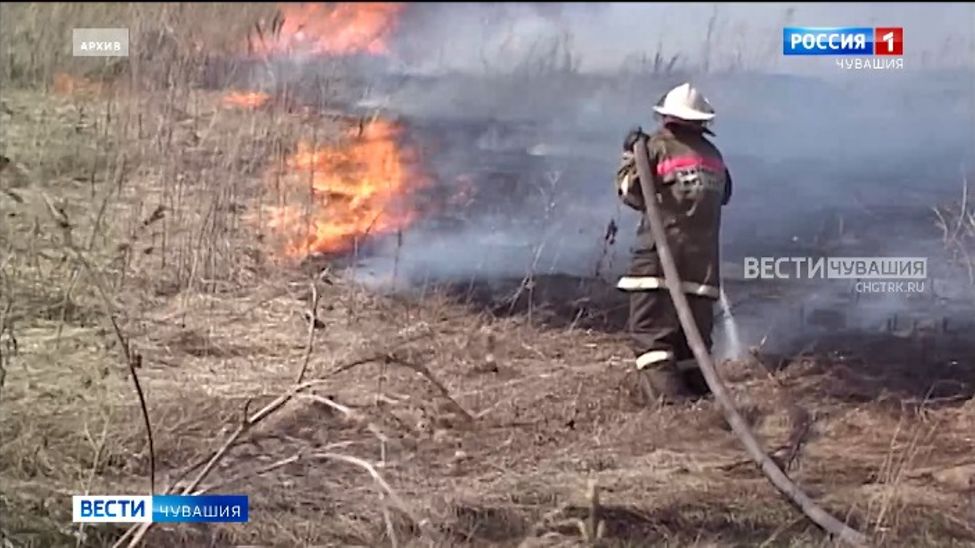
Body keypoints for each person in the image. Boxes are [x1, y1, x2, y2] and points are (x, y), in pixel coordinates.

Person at [614, 82, 732, 404]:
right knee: (692, 349)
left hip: (659, 262)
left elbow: (631, 192)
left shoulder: (656, 147)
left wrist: (630, 155)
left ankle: (672, 410)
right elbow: (724, 195)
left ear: (667, 117)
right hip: (703, 270)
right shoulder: (714, 157)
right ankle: (703, 407)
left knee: (651, 340)